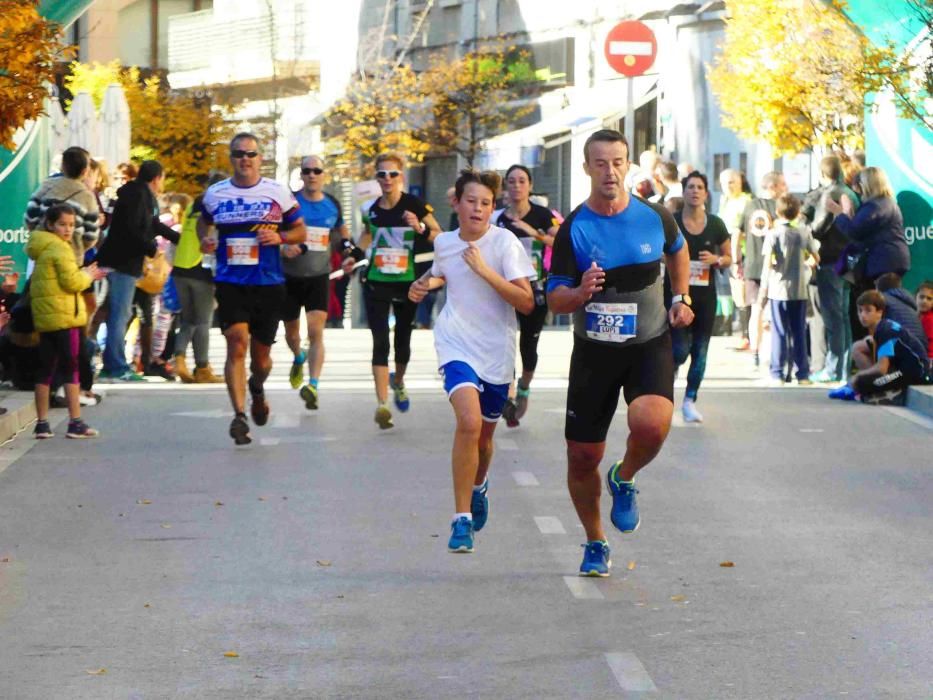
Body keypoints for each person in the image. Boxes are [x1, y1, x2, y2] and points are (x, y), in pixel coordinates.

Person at [547, 130, 693, 577]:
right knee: (582, 456)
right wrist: (579, 293)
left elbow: (679, 251)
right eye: (600, 163)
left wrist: (681, 297)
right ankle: (595, 541)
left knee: (651, 423)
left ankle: (624, 475)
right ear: (586, 169)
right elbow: (554, 298)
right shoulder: (575, 227)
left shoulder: (655, 216)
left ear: (628, 166)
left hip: (648, 342)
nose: (609, 172)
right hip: (594, 354)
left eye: (617, 162)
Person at [409, 169, 534, 553]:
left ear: (492, 208)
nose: (478, 209)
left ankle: (479, 485)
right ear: (457, 203)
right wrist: (423, 284)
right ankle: (461, 519)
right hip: (456, 343)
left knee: (484, 439)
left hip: (495, 351)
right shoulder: (445, 242)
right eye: (471, 201)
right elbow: (442, 273)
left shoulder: (504, 243)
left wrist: (484, 270)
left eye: (485, 203)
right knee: (468, 421)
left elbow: (526, 302)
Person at [198, 133, 306, 445]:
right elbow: (203, 222)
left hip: (268, 283)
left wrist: (280, 238)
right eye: (238, 154)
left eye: (251, 154)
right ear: (230, 158)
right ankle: (239, 415)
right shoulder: (216, 193)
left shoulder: (277, 192)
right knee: (236, 342)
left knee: (261, 360)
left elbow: (300, 231)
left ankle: (256, 388)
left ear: (260, 158)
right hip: (230, 281)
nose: (244, 159)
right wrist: (206, 238)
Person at [357, 152, 441, 429]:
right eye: (382, 174)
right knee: (380, 341)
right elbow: (366, 235)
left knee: (402, 340)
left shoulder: (414, 204)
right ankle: (382, 405)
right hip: (377, 281)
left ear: (401, 176)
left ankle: (399, 381)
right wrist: (353, 254)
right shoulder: (371, 208)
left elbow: (439, 235)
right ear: (376, 178)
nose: (387, 179)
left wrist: (419, 227)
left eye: (392, 174)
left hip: (408, 283)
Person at [26, 205, 107, 439]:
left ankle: (42, 424)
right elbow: (71, 282)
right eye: (62, 224)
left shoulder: (40, 247)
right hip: (65, 317)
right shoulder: (60, 248)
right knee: (71, 370)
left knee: (45, 370)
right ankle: (75, 422)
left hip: (46, 318)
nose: (68, 229)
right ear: (50, 225)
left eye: (71, 225)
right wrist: (88, 275)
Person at [96, 160, 179, 382]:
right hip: (122, 262)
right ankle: (115, 366)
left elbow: (152, 224)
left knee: (116, 314)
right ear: (157, 178)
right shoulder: (138, 196)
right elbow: (133, 228)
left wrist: (176, 238)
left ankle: (112, 362)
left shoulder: (139, 194)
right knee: (119, 314)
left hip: (122, 261)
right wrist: (150, 247)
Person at [282, 155, 354, 409]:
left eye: (317, 171)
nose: (312, 175)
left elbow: (342, 233)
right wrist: (284, 247)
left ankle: (313, 385)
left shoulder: (332, 204)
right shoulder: (290, 203)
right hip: (290, 276)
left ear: (324, 175)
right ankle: (298, 356)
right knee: (292, 334)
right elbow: (277, 232)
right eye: (307, 171)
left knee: (315, 331)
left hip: (318, 276)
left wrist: (349, 253)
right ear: (301, 175)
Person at [493, 164, 560, 427]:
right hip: (507, 289)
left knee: (528, 346)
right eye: (511, 181)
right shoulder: (497, 218)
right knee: (505, 341)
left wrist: (534, 234)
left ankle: (524, 386)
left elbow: (562, 243)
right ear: (505, 186)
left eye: (522, 180)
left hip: (535, 289)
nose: (517, 185)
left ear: (530, 185)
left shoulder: (543, 215)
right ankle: (509, 395)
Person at [670, 171, 731, 422]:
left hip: (705, 296)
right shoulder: (672, 222)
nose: (695, 191)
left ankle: (689, 400)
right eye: (690, 187)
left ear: (706, 193)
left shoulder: (716, 224)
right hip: (676, 296)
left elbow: (729, 258)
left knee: (700, 350)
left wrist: (717, 259)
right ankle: (670, 374)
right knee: (679, 350)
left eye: (699, 187)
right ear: (683, 192)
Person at [802, 156, 861, 382]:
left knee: (833, 318)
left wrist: (806, 230)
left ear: (822, 173)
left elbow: (819, 227)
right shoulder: (851, 193)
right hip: (849, 261)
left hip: (830, 260)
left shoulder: (829, 194)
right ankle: (843, 368)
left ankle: (833, 368)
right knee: (843, 317)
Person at [757, 195, 819, 385]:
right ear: (798, 212)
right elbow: (815, 257)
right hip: (799, 289)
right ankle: (803, 374)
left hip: (778, 289)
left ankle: (777, 373)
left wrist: (764, 288)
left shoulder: (773, 234)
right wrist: (804, 265)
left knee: (779, 331)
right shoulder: (804, 232)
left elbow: (768, 263)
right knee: (799, 331)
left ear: (777, 212)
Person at [830, 290, 931, 404]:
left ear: (879, 312)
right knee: (858, 347)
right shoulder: (881, 327)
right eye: (860, 310)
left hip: (915, 371)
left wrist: (857, 377)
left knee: (861, 383)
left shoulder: (885, 331)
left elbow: (881, 369)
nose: (863, 315)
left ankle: (894, 394)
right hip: (899, 366)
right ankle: (877, 387)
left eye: (868, 310)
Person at [172, 172, 226, 384]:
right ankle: (201, 367)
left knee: (189, 319)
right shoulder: (216, 208)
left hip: (180, 267)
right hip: (201, 268)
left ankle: (182, 359)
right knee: (203, 321)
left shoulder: (193, 205)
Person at [738, 172, 788, 368]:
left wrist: (737, 261)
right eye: (782, 184)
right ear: (773, 187)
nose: (785, 188)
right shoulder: (780, 207)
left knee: (756, 310)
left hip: (752, 264)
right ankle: (773, 352)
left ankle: (756, 351)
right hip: (775, 267)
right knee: (774, 311)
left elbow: (737, 233)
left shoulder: (750, 205)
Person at [25, 146, 101, 266]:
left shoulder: (46, 186)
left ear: (63, 166)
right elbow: (91, 236)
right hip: (71, 259)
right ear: (85, 171)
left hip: (43, 255)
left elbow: (30, 218)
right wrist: (77, 247)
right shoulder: (87, 197)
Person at [717, 169, 752, 348]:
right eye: (724, 183)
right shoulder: (725, 200)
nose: (728, 186)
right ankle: (744, 335)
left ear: (740, 182)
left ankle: (747, 336)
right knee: (736, 294)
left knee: (742, 293)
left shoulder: (746, 201)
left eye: (732, 182)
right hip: (727, 252)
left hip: (742, 253)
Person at [874, 273, 928, 349]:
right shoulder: (908, 302)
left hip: (905, 345)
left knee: (860, 347)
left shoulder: (882, 299)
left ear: (878, 289)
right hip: (921, 348)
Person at [917, 281, 933, 359]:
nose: (924, 301)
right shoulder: (915, 315)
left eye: (929, 298)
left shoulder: (929, 319)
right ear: (915, 297)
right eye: (921, 297)